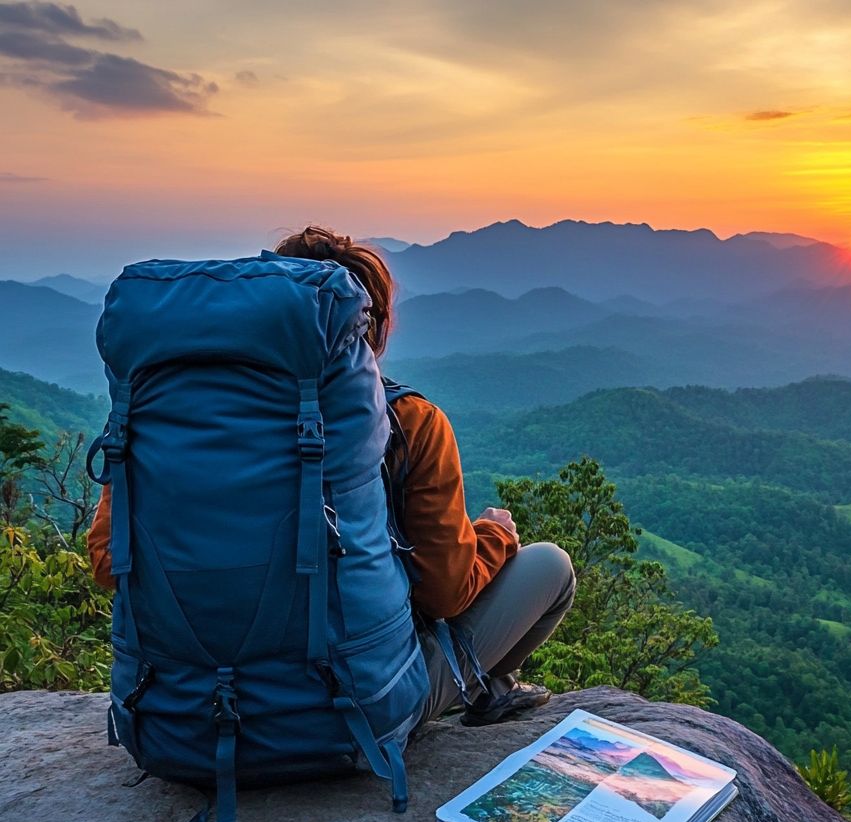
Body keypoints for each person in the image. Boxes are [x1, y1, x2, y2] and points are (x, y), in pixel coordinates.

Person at [86, 225, 576, 727]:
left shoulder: (164, 423)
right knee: (551, 567)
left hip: (184, 714)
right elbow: (444, 594)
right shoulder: (410, 423)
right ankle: (487, 687)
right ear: (375, 326)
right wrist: (494, 535)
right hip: (356, 712)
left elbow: (107, 564)